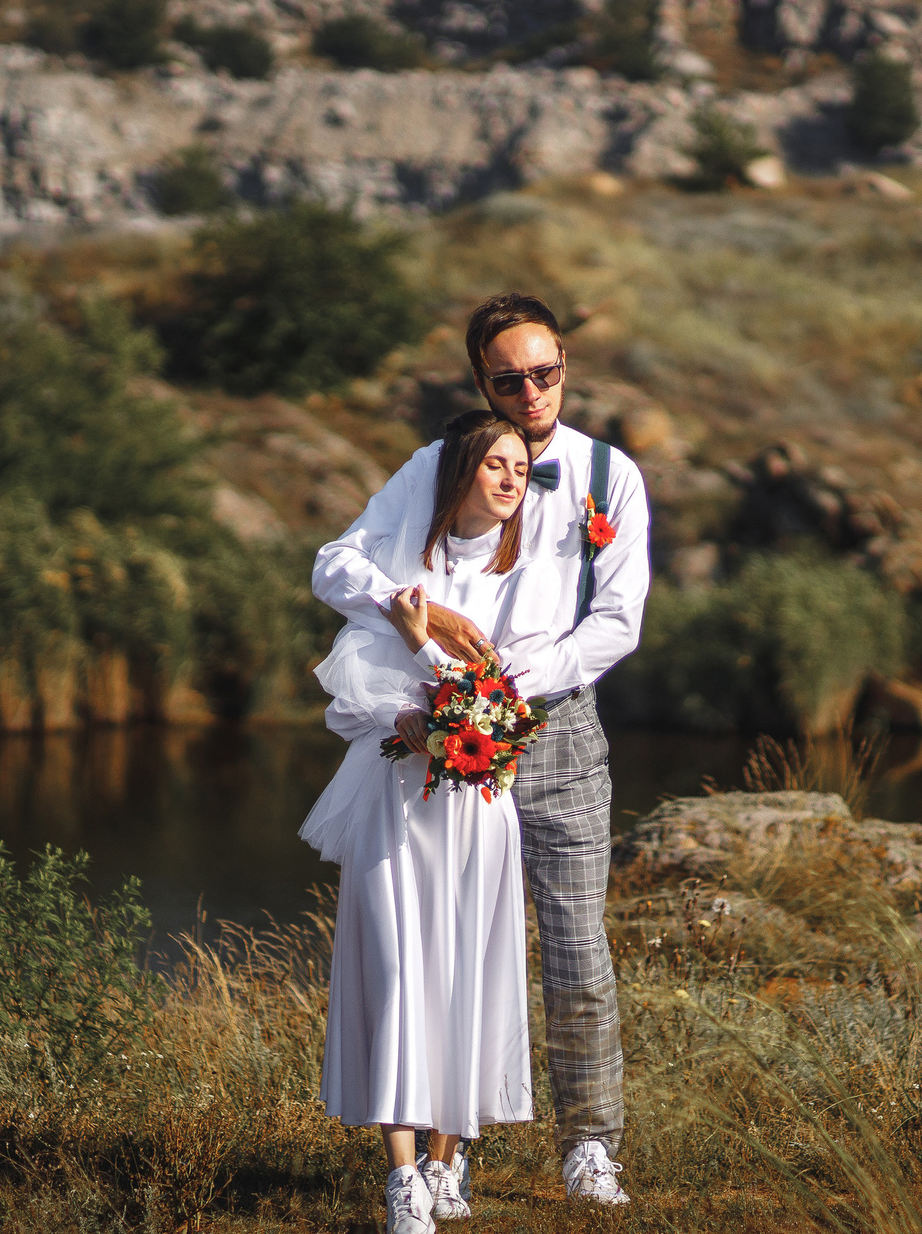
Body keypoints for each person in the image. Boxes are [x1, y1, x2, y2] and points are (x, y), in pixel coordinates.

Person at [315, 293, 652, 1210]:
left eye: (546, 373)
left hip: (557, 729)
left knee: (578, 951)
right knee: (448, 947)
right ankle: (442, 1156)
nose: (532, 390)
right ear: (481, 381)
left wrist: (512, 680)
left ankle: (590, 1145)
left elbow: (617, 622)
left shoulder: (609, 475)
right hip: (441, 740)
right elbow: (335, 563)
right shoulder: (438, 464)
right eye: (510, 379)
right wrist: (412, 611)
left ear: (565, 368)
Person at [302, 410, 553, 1234]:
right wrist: (416, 644)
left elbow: (505, 698)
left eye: (521, 465)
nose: (512, 477)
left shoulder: (528, 575)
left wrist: (422, 649)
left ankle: (450, 1159)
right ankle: (403, 1176)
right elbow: (354, 677)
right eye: (496, 463)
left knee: (465, 976)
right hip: (399, 801)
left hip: (477, 805)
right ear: (461, 474)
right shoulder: (406, 563)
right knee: (398, 965)